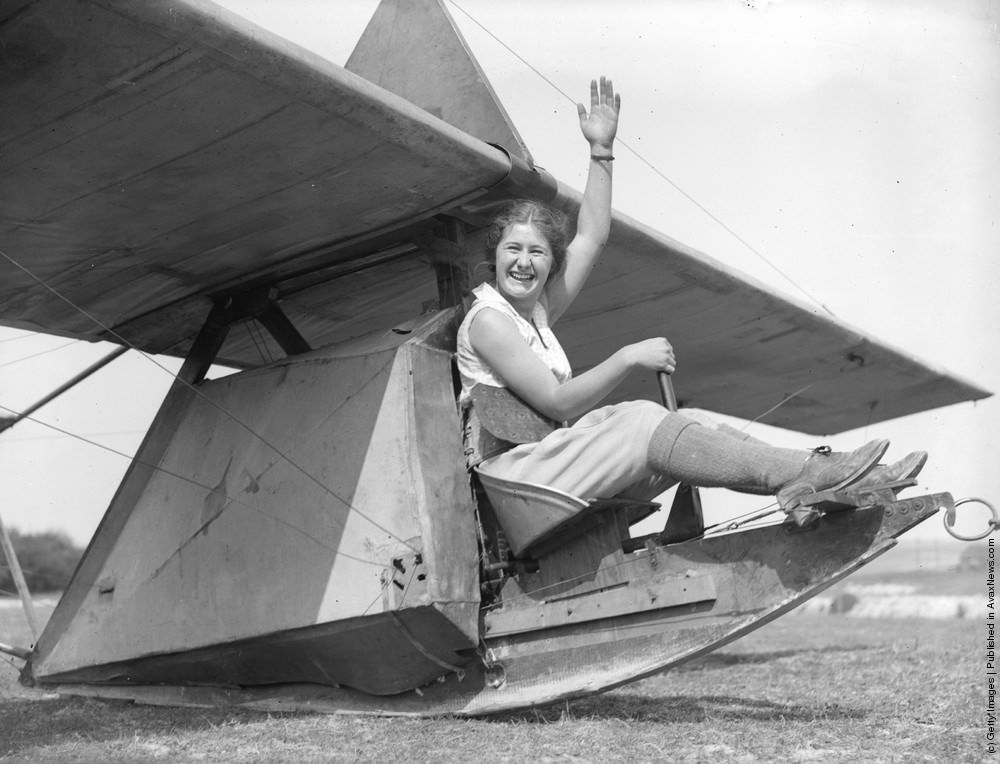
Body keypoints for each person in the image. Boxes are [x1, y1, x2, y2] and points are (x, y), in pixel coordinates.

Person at [456, 76, 926, 525]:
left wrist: (602, 150)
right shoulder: (490, 321)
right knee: (641, 420)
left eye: (536, 252)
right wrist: (627, 357)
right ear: (493, 257)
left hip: (546, 467)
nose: (523, 262)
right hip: (516, 482)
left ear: (549, 263)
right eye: (512, 250)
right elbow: (557, 403)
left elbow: (593, 233)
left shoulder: (535, 313)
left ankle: (829, 479)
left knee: (690, 424)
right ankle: (812, 473)